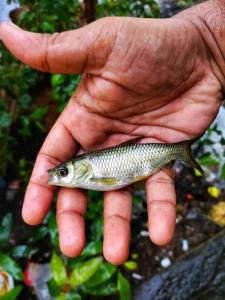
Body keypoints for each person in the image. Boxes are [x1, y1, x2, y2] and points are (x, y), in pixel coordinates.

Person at [0, 0, 224, 265]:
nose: (58, 176)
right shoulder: (87, 174)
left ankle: (181, 149)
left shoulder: (91, 172)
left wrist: (208, 39)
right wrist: (207, 38)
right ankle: (181, 149)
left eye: (63, 173)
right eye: (62, 172)